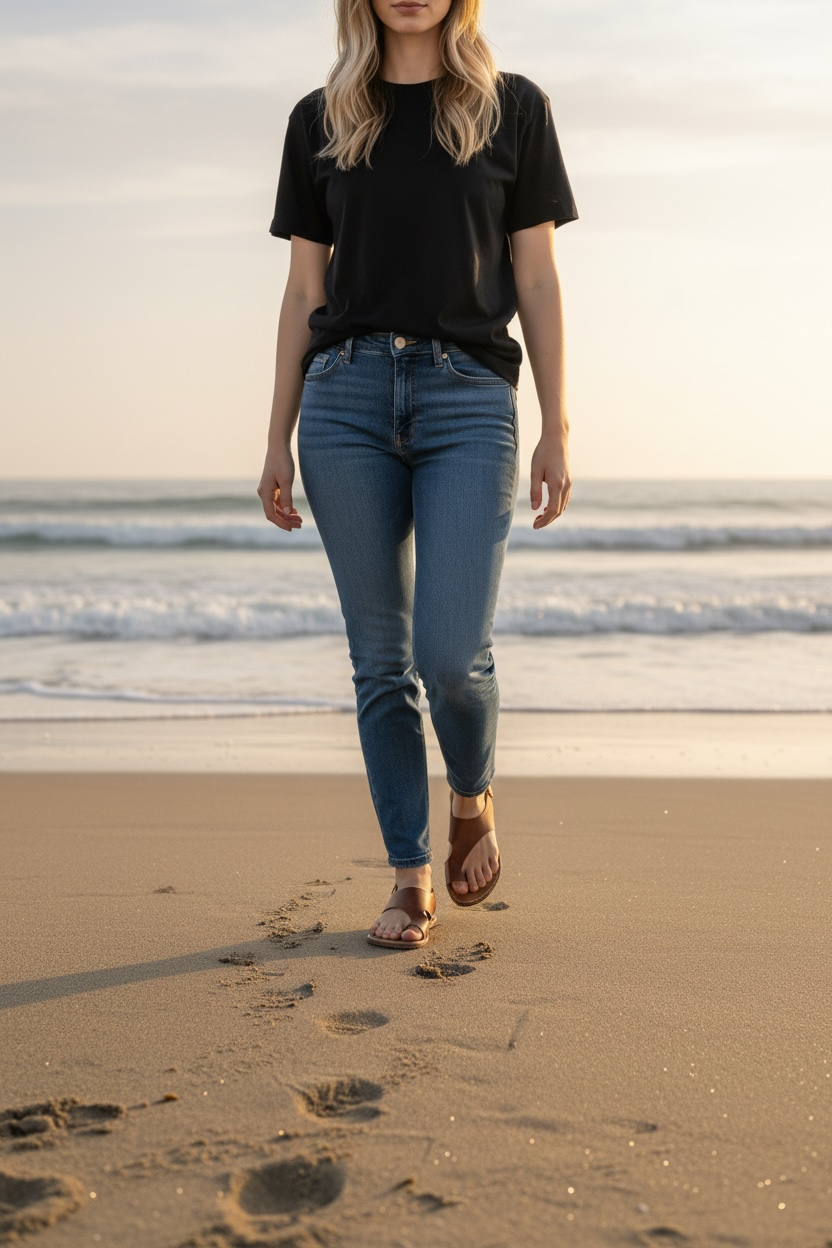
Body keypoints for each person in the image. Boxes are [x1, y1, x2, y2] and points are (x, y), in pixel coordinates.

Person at [258, 0, 577, 949]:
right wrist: (276, 435)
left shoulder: (512, 108)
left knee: (450, 656)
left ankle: (471, 794)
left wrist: (555, 427)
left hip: (467, 398)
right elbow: (304, 293)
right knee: (378, 662)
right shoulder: (320, 120)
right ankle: (408, 873)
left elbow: (538, 279)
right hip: (345, 401)